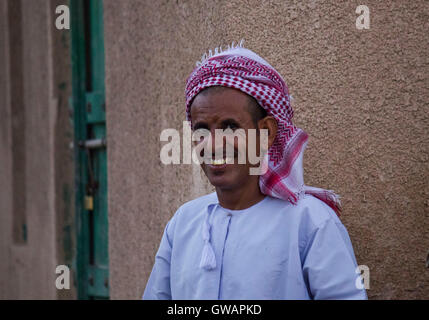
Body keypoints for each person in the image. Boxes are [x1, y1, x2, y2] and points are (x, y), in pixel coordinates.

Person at [143, 41, 367, 300]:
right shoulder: (183, 224)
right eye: (201, 129)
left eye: (230, 127)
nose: (213, 144)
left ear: (266, 133)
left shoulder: (310, 222)